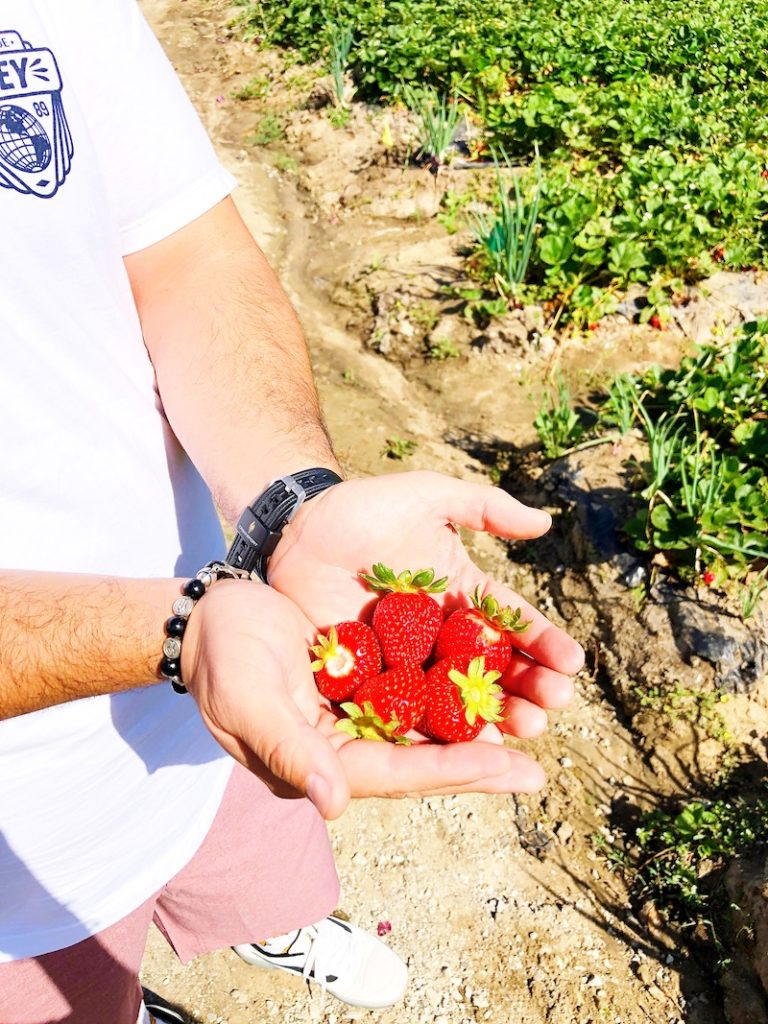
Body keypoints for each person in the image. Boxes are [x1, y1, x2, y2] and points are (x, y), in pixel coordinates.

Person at [0, 2, 584, 1022]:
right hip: (29, 837)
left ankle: (270, 922)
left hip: (232, 648)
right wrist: (176, 629)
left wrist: (289, 509)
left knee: (277, 812)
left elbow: (183, 254)